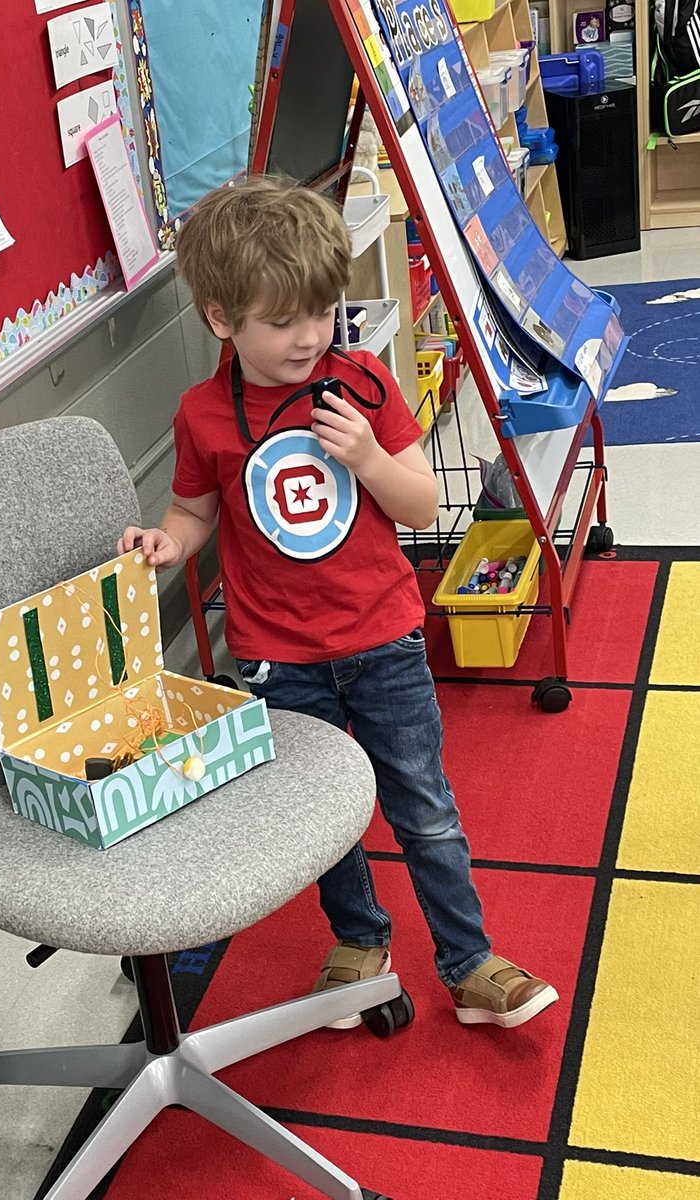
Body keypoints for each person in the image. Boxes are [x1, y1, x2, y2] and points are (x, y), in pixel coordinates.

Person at [118, 176, 558, 1030]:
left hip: (385, 641)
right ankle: (359, 942)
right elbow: (194, 510)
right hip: (279, 658)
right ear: (221, 320)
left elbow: (423, 506)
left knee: (423, 806)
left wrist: (365, 455)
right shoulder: (203, 415)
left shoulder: (359, 385)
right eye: (282, 321)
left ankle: (468, 960)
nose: (309, 336)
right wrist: (166, 542)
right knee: (325, 816)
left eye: (321, 312)